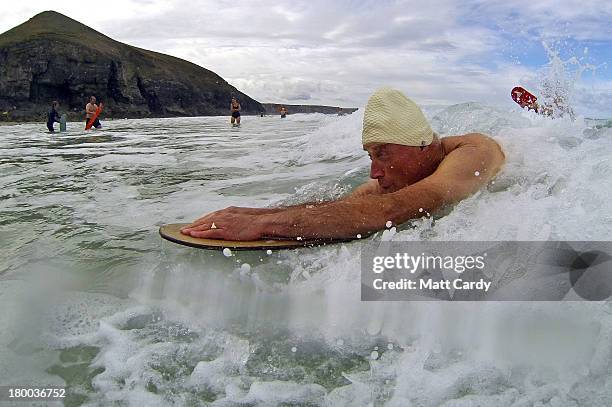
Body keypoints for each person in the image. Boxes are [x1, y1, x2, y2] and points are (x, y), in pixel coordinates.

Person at [180, 87, 505, 241]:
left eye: (383, 154)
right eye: (370, 157)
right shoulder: (394, 181)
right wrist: (253, 214)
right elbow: (347, 207)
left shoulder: (474, 150)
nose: (374, 172)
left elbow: (394, 209)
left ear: (419, 146)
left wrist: (264, 228)